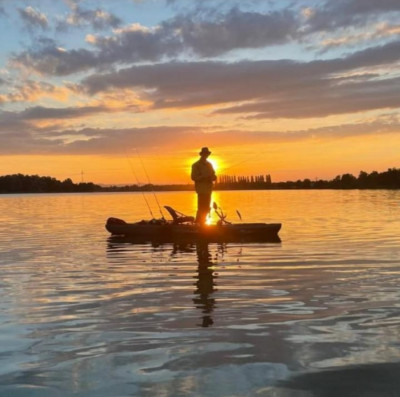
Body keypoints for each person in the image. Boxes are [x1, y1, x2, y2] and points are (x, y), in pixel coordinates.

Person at [191, 147, 216, 225]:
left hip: (208, 189)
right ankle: (199, 222)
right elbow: (193, 177)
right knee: (201, 207)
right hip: (201, 190)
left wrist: (213, 177)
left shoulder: (210, 164)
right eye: (205, 154)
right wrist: (203, 176)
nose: (206, 155)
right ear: (202, 154)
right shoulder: (195, 165)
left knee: (207, 207)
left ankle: (203, 223)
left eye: (207, 154)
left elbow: (214, 176)